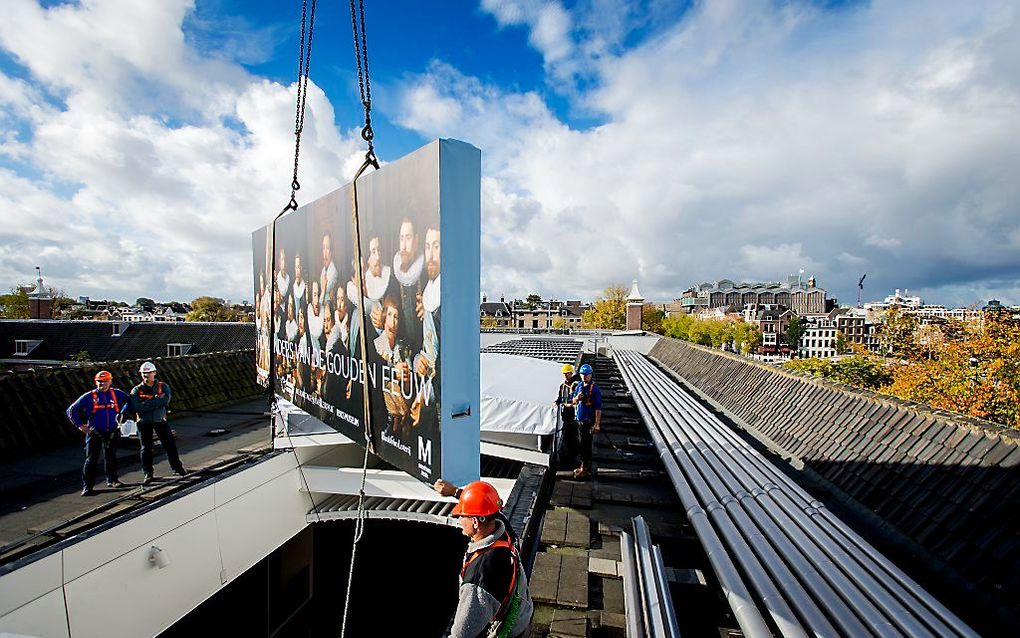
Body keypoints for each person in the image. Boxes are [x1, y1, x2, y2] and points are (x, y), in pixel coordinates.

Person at [445, 481, 533, 638]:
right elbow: (487, 506)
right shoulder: (503, 529)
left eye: (462, 515)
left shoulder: (478, 580)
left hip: (510, 632)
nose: (459, 520)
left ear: (475, 522)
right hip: (523, 613)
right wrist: (455, 492)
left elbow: (461, 634)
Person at [67, 370, 129, 496]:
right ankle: (87, 487)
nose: (103, 384)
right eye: (100, 382)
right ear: (96, 382)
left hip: (111, 431)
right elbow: (71, 410)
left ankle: (113, 480)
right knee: (91, 460)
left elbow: (130, 401)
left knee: (111, 457)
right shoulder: (89, 396)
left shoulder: (117, 394)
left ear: (110, 381)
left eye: (105, 381)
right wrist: (80, 425)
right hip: (95, 433)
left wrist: (122, 414)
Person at [129, 362, 186, 485]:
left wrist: (147, 403)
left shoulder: (163, 386)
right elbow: (137, 408)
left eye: (149, 373)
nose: (146, 375)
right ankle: (148, 474)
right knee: (146, 449)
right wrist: (156, 402)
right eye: (144, 373)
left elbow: (165, 400)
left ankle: (177, 468)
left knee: (170, 445)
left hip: (160, 421)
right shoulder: (136, 390)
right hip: (144, 423)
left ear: (154, 373)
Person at [391, 217, 424, 353]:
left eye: (408, 238)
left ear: (416, 241)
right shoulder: (393, 279)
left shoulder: (427, 275)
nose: (403, 246)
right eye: (401, 239)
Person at [570, 363, 602, 479]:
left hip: (587, 422)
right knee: (581, 444)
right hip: (579, 421)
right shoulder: (579, 386)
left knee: (585, 445)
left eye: (586, 375)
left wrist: (597, 424)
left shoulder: (594, 389)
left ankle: (585, 468)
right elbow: (573, 400)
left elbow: (598, 408)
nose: (584, 377)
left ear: (591, 375)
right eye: (582, 374)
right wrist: (577, 398)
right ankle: (584, 465)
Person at [554, 363, 580, 467]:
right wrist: (557, 401)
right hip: (565, 416)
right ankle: (568, 457)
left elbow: (577, 400)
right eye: (564, 374)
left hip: (573, 416)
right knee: (567, 436)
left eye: (567, 373)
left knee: (574, 437)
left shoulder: (576, 385)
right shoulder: (563, 386)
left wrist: (569, 404)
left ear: (571, 373)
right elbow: (561, 398)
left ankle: (575, 458)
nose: (565, 375)